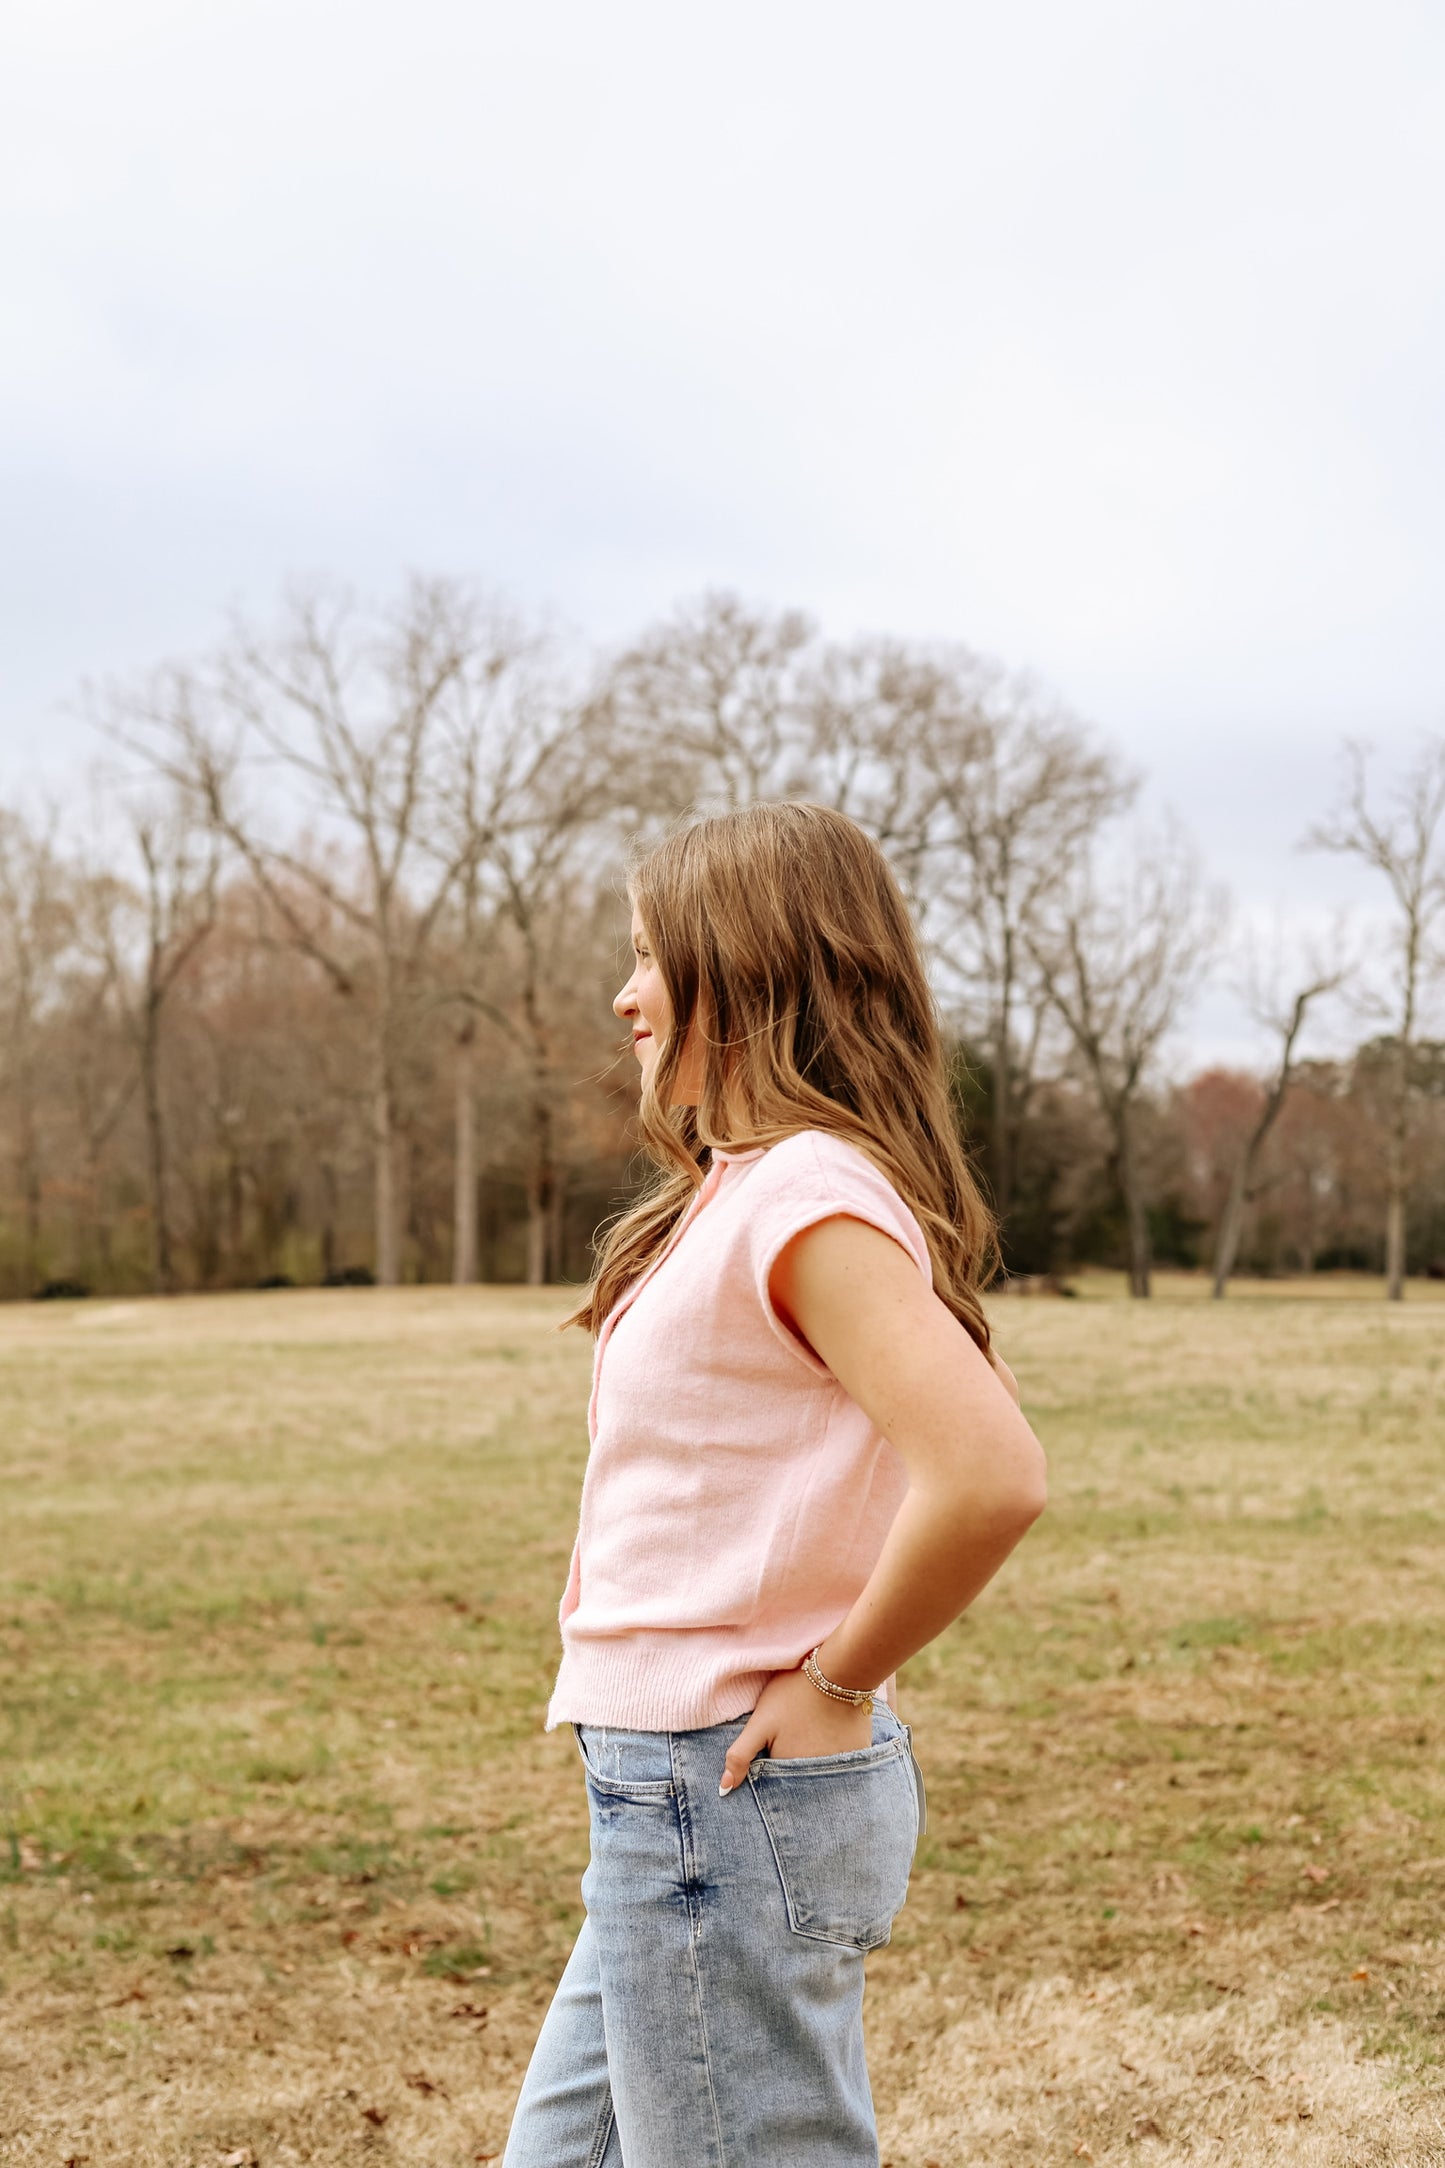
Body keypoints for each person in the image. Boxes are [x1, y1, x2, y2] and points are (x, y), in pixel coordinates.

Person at [503, 802, 1047, 2168]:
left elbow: (988, 1475)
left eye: (650, 954)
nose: (625, 993)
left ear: (745, 968)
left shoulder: (805, 1193)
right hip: (667, 1791)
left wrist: (839, 1677)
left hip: (719, 1784)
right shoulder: (742, 1184)